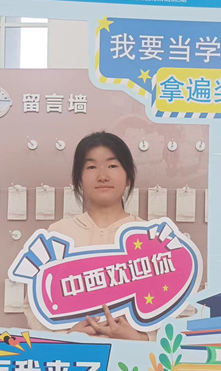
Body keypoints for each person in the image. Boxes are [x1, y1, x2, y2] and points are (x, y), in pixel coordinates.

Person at [23, 131, 149, 341]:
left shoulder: (150, 237)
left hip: (133, 358)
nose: (102, 176)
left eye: (112, 166)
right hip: (73, 356)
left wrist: (141, 338)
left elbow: (174, 307)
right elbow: (33, 303)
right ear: (79, 179)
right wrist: (67, 336)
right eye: (91, 167)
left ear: (128, 177)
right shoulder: (58, 234)